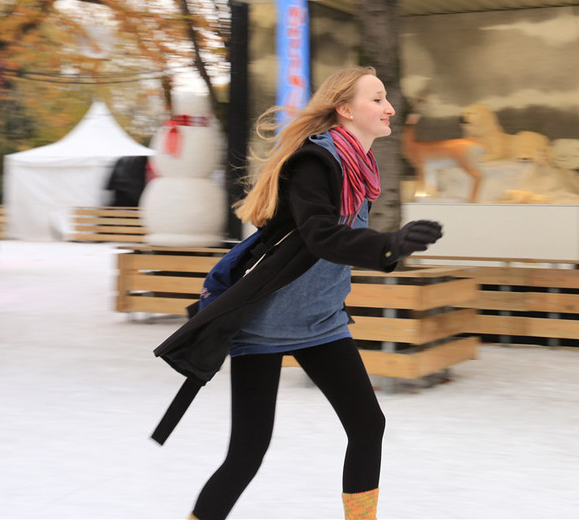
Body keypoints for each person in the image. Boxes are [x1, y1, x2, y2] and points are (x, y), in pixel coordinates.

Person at [187, 66, 443, 520]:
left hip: (320, 322)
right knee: (247, 453)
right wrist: (388, 244)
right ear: (344, 109)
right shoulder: (314, 163)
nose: (390, 108)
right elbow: (322, 236)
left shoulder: (359, 168)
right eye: (377, 98)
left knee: (368, 425)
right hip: (265, 322)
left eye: (387, 99)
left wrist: (388, 245)